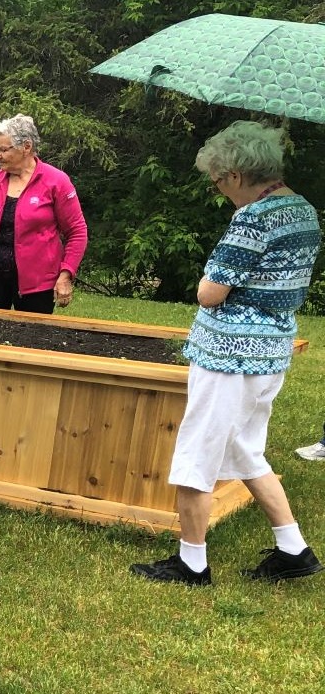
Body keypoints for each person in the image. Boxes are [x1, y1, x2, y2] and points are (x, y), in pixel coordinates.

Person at [131, 121, 321, 586]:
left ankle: (191, 562)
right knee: (245, 449)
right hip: (271, 351)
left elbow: (210, 293)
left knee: (197, 454)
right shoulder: (303, 210)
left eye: (218, 180)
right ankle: (294, 548)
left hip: (229, 354)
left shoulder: (253, 217)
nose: (219, 189)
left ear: (235, 174)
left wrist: (207, 282)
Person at [0, 114, 88, 314]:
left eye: (3, 149)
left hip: (38, 284)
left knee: (33, 340)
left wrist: (66, 275)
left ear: (26, 147)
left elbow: (77, 232)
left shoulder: (56, 181)